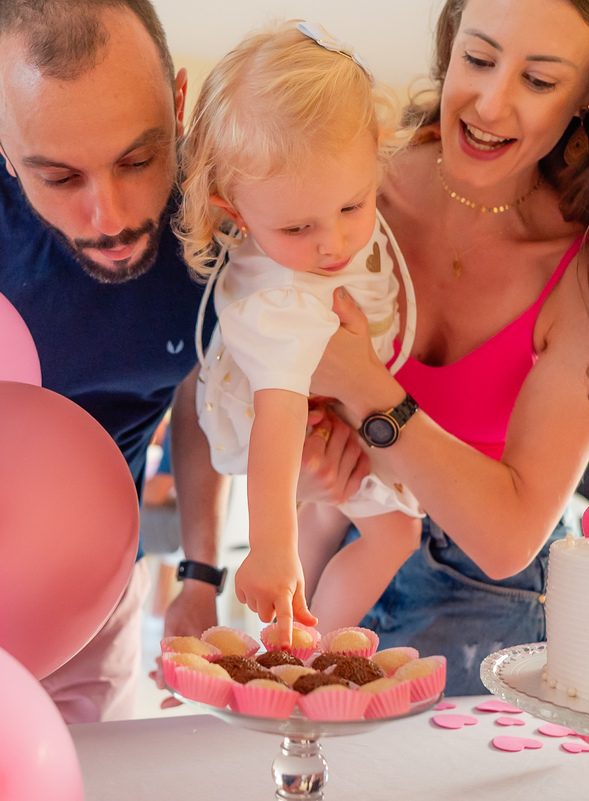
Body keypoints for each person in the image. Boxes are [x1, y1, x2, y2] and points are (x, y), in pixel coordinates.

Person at [298, 0, 589, 695]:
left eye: (539, 81)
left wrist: (370, 392)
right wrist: (308, 472)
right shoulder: (355, 189)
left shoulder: (583, 272)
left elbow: (508, 535)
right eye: (479, 58)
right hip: (337, 542)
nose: (490, 104)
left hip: (490, 593)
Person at [0, 0, 229, 723]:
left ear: (180, 102)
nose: (112, 216)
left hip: (98, 595)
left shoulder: (220, 227)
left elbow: (200, 396)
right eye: (60, 178)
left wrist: (200, 571)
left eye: (139, 158)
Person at [176, 20, 423, 644]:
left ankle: (286, 646)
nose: (333, 243)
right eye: (297, 229)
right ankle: (312, 649)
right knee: (397, 532)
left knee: (330, 509)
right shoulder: (284, 297)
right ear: (235, 213)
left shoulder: (307, 203)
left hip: (313, 404)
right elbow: (277, 418)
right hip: (275, 418)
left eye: (352, 205)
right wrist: (268, 546)